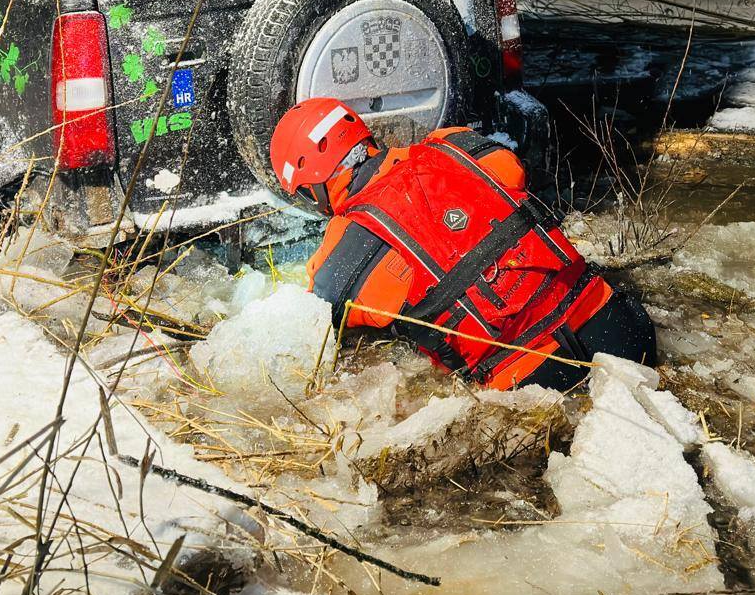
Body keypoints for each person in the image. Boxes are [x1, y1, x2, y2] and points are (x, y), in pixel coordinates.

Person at [269, 97, 656, 390]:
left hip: (536, 380)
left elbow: (317, 324)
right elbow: (512, 170)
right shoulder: (453, 144)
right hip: (619, 324)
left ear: (314, 185)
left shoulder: (345, 247)